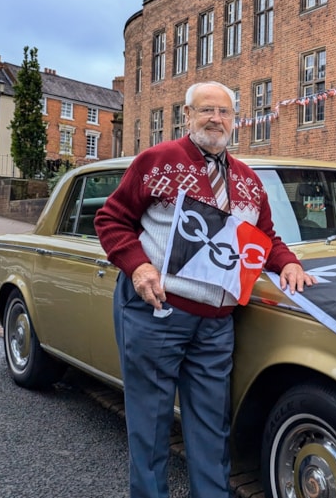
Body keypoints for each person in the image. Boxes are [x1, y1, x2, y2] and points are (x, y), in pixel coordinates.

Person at [94, 81, 315, 498]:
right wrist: (138, 266)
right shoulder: (156, 162)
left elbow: (264, 237)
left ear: (235, 120)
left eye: (225, 112)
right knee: (151, 425)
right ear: (187, 115)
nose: (216, 119)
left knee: (213, 428)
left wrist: (288, 263)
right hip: (158, 311)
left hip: (216, 324)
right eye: (207, 110)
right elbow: (110, 220)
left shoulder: (249, 181)